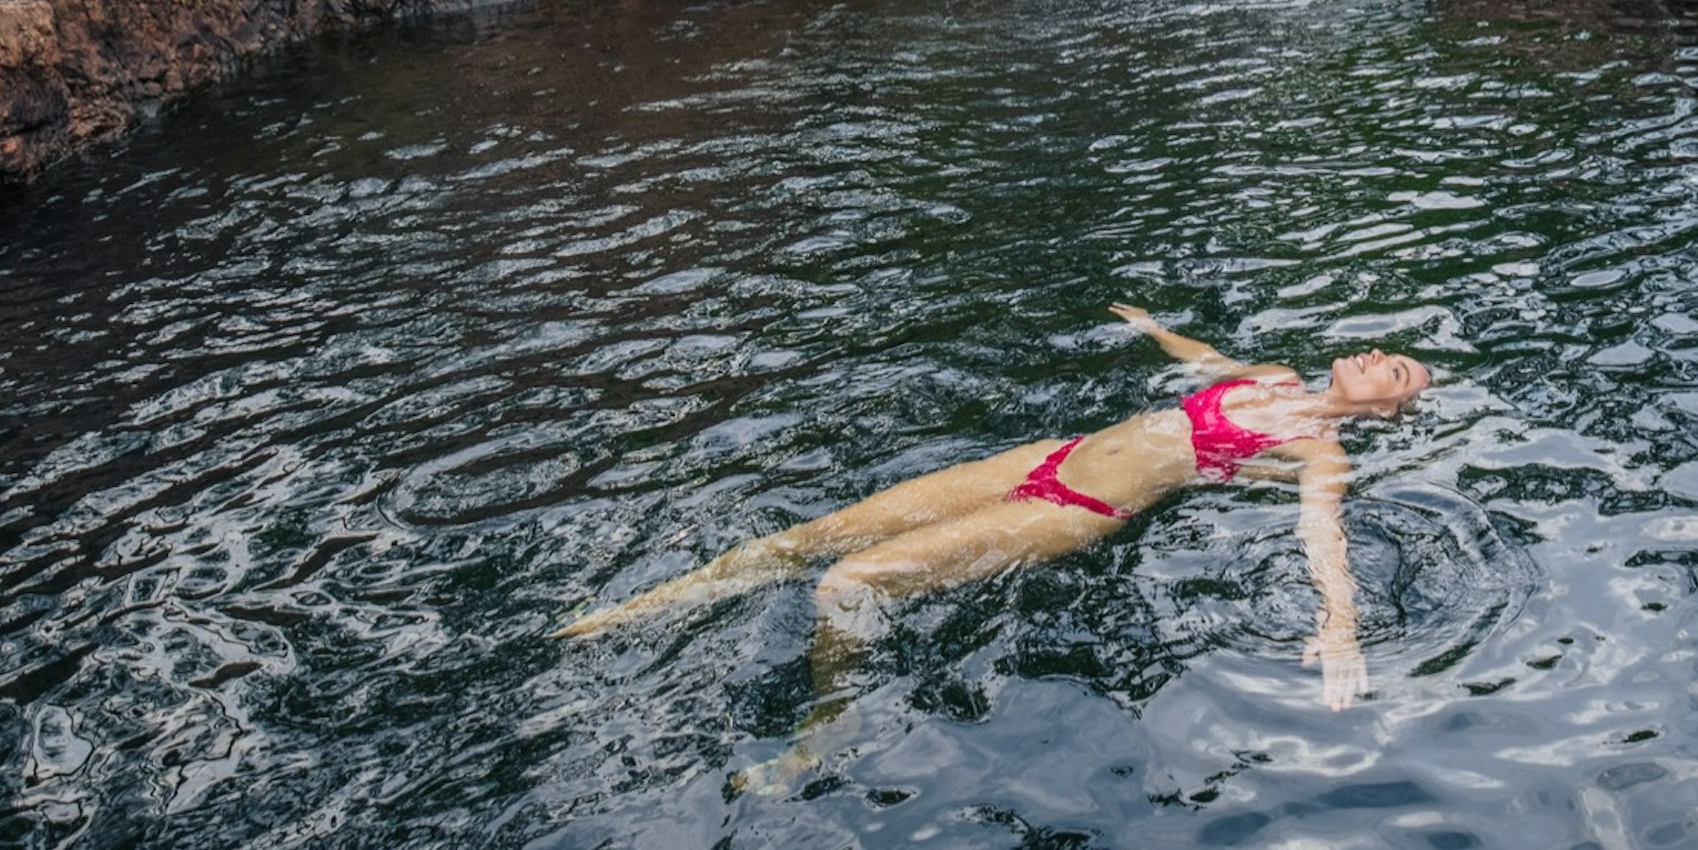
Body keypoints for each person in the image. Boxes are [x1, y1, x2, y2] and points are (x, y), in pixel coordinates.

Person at [557, 305, 1434, 711]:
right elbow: (1206, 361)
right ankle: (640, 607)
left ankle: (826, 728)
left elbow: (1322, 530)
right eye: (1388, 349)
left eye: (1395, 371)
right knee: (812, 536)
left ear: (1386, 410)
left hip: (1084, 504)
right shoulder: (1274, 377)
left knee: (846, 582)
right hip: (1046, 457)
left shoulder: (1323, 454)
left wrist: (1340, 621)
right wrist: (1152, 327)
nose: (1379, 354)